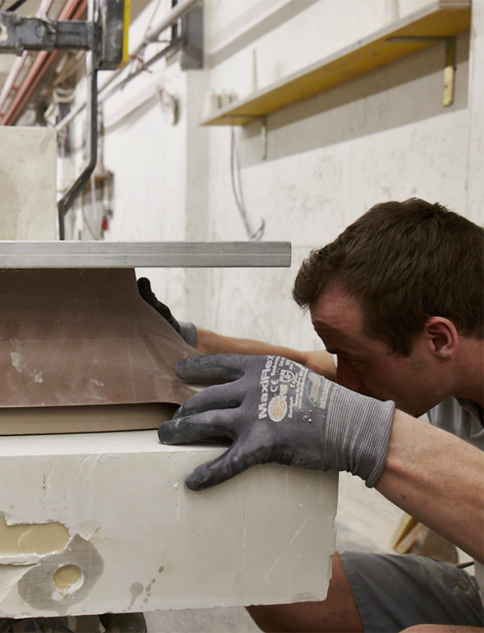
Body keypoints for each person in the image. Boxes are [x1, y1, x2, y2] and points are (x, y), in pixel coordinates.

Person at [141, 199, 483, 633]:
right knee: (274, 586)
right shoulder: (450, 368)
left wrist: (360, 431)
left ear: (438, 338)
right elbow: (310, 363)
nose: (346, 380)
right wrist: (186, 339)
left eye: (356, 359)